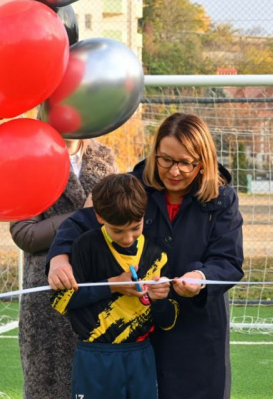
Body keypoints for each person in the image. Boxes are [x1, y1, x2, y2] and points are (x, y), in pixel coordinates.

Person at [46, 113, 244, 399]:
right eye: (166, 159)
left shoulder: (222, 200)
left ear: (202, 162)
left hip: (198, 332)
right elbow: (80, 222)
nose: (174, 171)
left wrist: (200, 278)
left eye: (185, 163)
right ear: (155, 153)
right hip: (139, 333)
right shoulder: (132, 186)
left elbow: (228, 262)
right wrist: (59, 258)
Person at [51, 173, 176, 398]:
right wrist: (111, 285)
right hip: (95, 355)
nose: (128, 238)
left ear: (144, 216)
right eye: (118, 230)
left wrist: (159, 300)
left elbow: (167, 321)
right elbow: (61, 301)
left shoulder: (157, 255)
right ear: (99, 217)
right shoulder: (84, 247)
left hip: (141, 354)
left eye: (135, 228)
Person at [9, 138, 116, 399]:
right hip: (48, 295)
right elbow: (25, 234)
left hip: (99, 292)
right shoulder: (29, 157)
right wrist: (87, 215)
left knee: (97, 385)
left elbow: (119, 218)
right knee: (48, 386)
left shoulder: (104, 156)